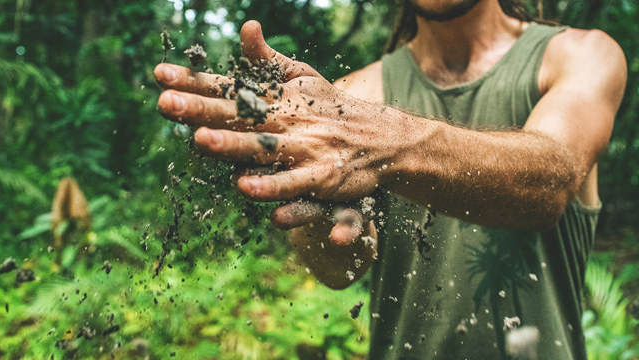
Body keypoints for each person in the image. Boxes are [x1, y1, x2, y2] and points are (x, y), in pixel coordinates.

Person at [154, 0, 627, 358]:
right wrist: (331, 215)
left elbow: (548, 182)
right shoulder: (351, 99)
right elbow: (336, 271)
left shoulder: (579, 55)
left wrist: (386, 143)